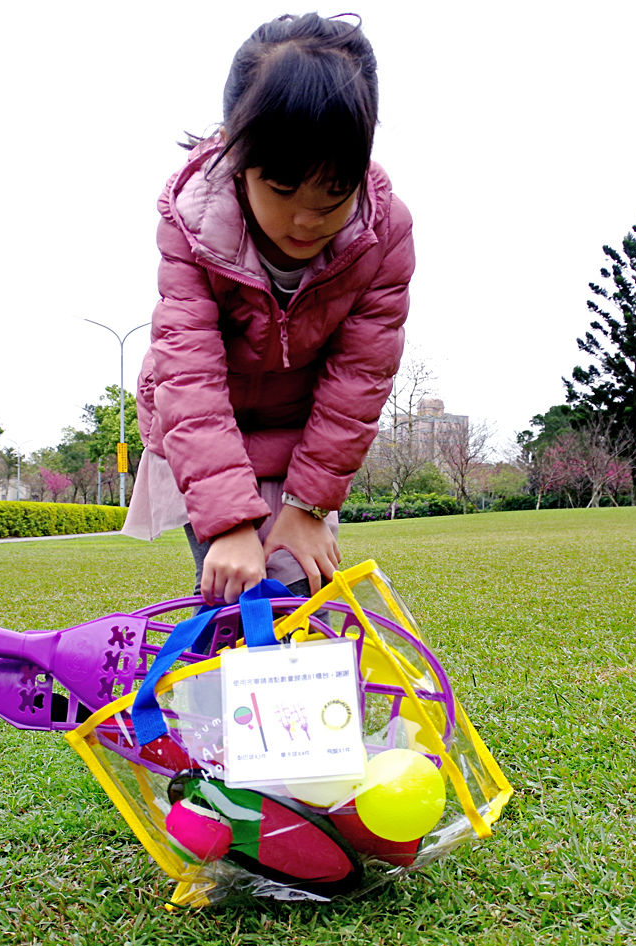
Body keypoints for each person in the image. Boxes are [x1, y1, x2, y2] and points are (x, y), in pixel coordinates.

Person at [123, 12, 413, 606]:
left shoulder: (384, 233)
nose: (308, 220)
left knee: (301, 595)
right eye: (282, 191)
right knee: (238, 596)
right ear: (237, 151)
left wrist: (309, 506)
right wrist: (229, 523)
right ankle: (219, 693)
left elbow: (358, 379)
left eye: (335, 193)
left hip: (302, 442)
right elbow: (189, 372)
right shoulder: (193, 223)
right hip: (205, 437)